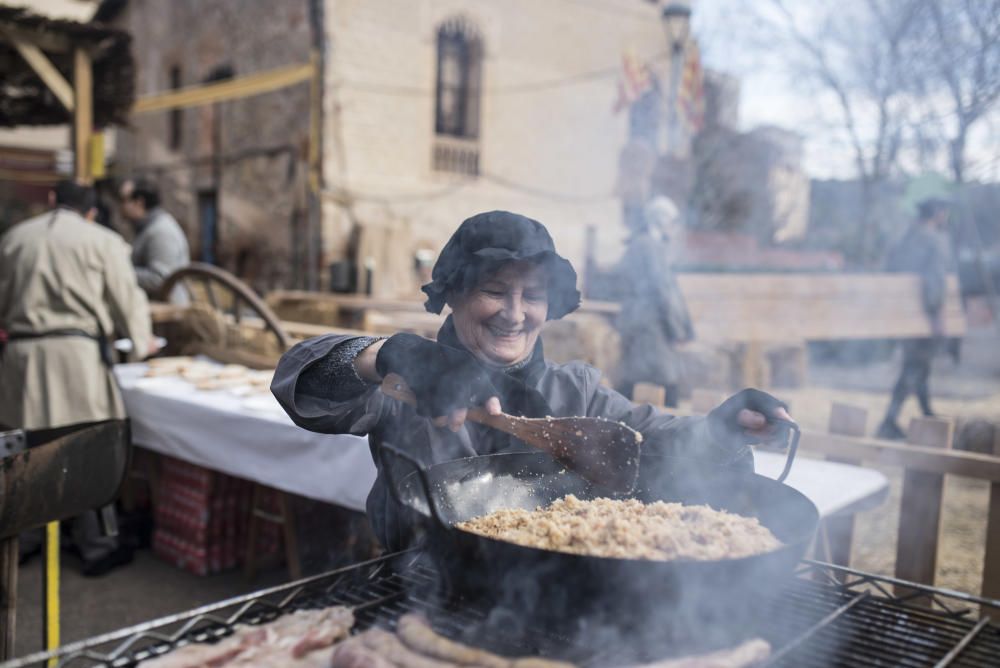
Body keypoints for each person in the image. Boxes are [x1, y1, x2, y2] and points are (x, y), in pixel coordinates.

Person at [272, 211, 793, 550]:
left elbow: (649, 441)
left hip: (554, 591)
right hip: (421, 587)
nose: (514, 314)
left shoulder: (578, 391)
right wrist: (386, 355)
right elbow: (302, 384)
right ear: (452, 294)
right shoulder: (407, 385)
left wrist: (719, 430)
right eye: (495, 290)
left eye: (534, 296)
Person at [0, 180, 155, 575]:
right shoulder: (102, 241)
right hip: (76, 358)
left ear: (52, 200)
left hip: (22, 358)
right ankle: (97, 544)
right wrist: (140, 345)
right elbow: (127, 299)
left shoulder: (15, 238)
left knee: (26, 450)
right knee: (88, 449)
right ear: (90, 211)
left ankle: (26, 538)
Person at [877, 198, 953, 440]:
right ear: (938, 214)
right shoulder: (934, 240)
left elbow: (889, 271)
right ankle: (889, 421)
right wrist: (937, 315)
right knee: (915, 367)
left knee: (918, 366)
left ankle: (926, 414)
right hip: (925, 315)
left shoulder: (904, 239)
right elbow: (935, 279)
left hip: (904, 316)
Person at [615, 197, 694, 406]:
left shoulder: (640, 244)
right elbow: (663, 291)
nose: (674, 228)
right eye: (672, 221)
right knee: (665, 381)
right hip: (651, 324)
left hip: (638, 321)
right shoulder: (650, 247)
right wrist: (678, 330)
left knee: (634, 377)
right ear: (661, 220)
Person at [118, 177, 190, 298]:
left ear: (139, 202)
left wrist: (118, 271)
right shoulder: (148, 227)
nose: (121, 206)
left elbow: (159, 279)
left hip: (168, 310)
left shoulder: (161, 231)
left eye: (124, 200)